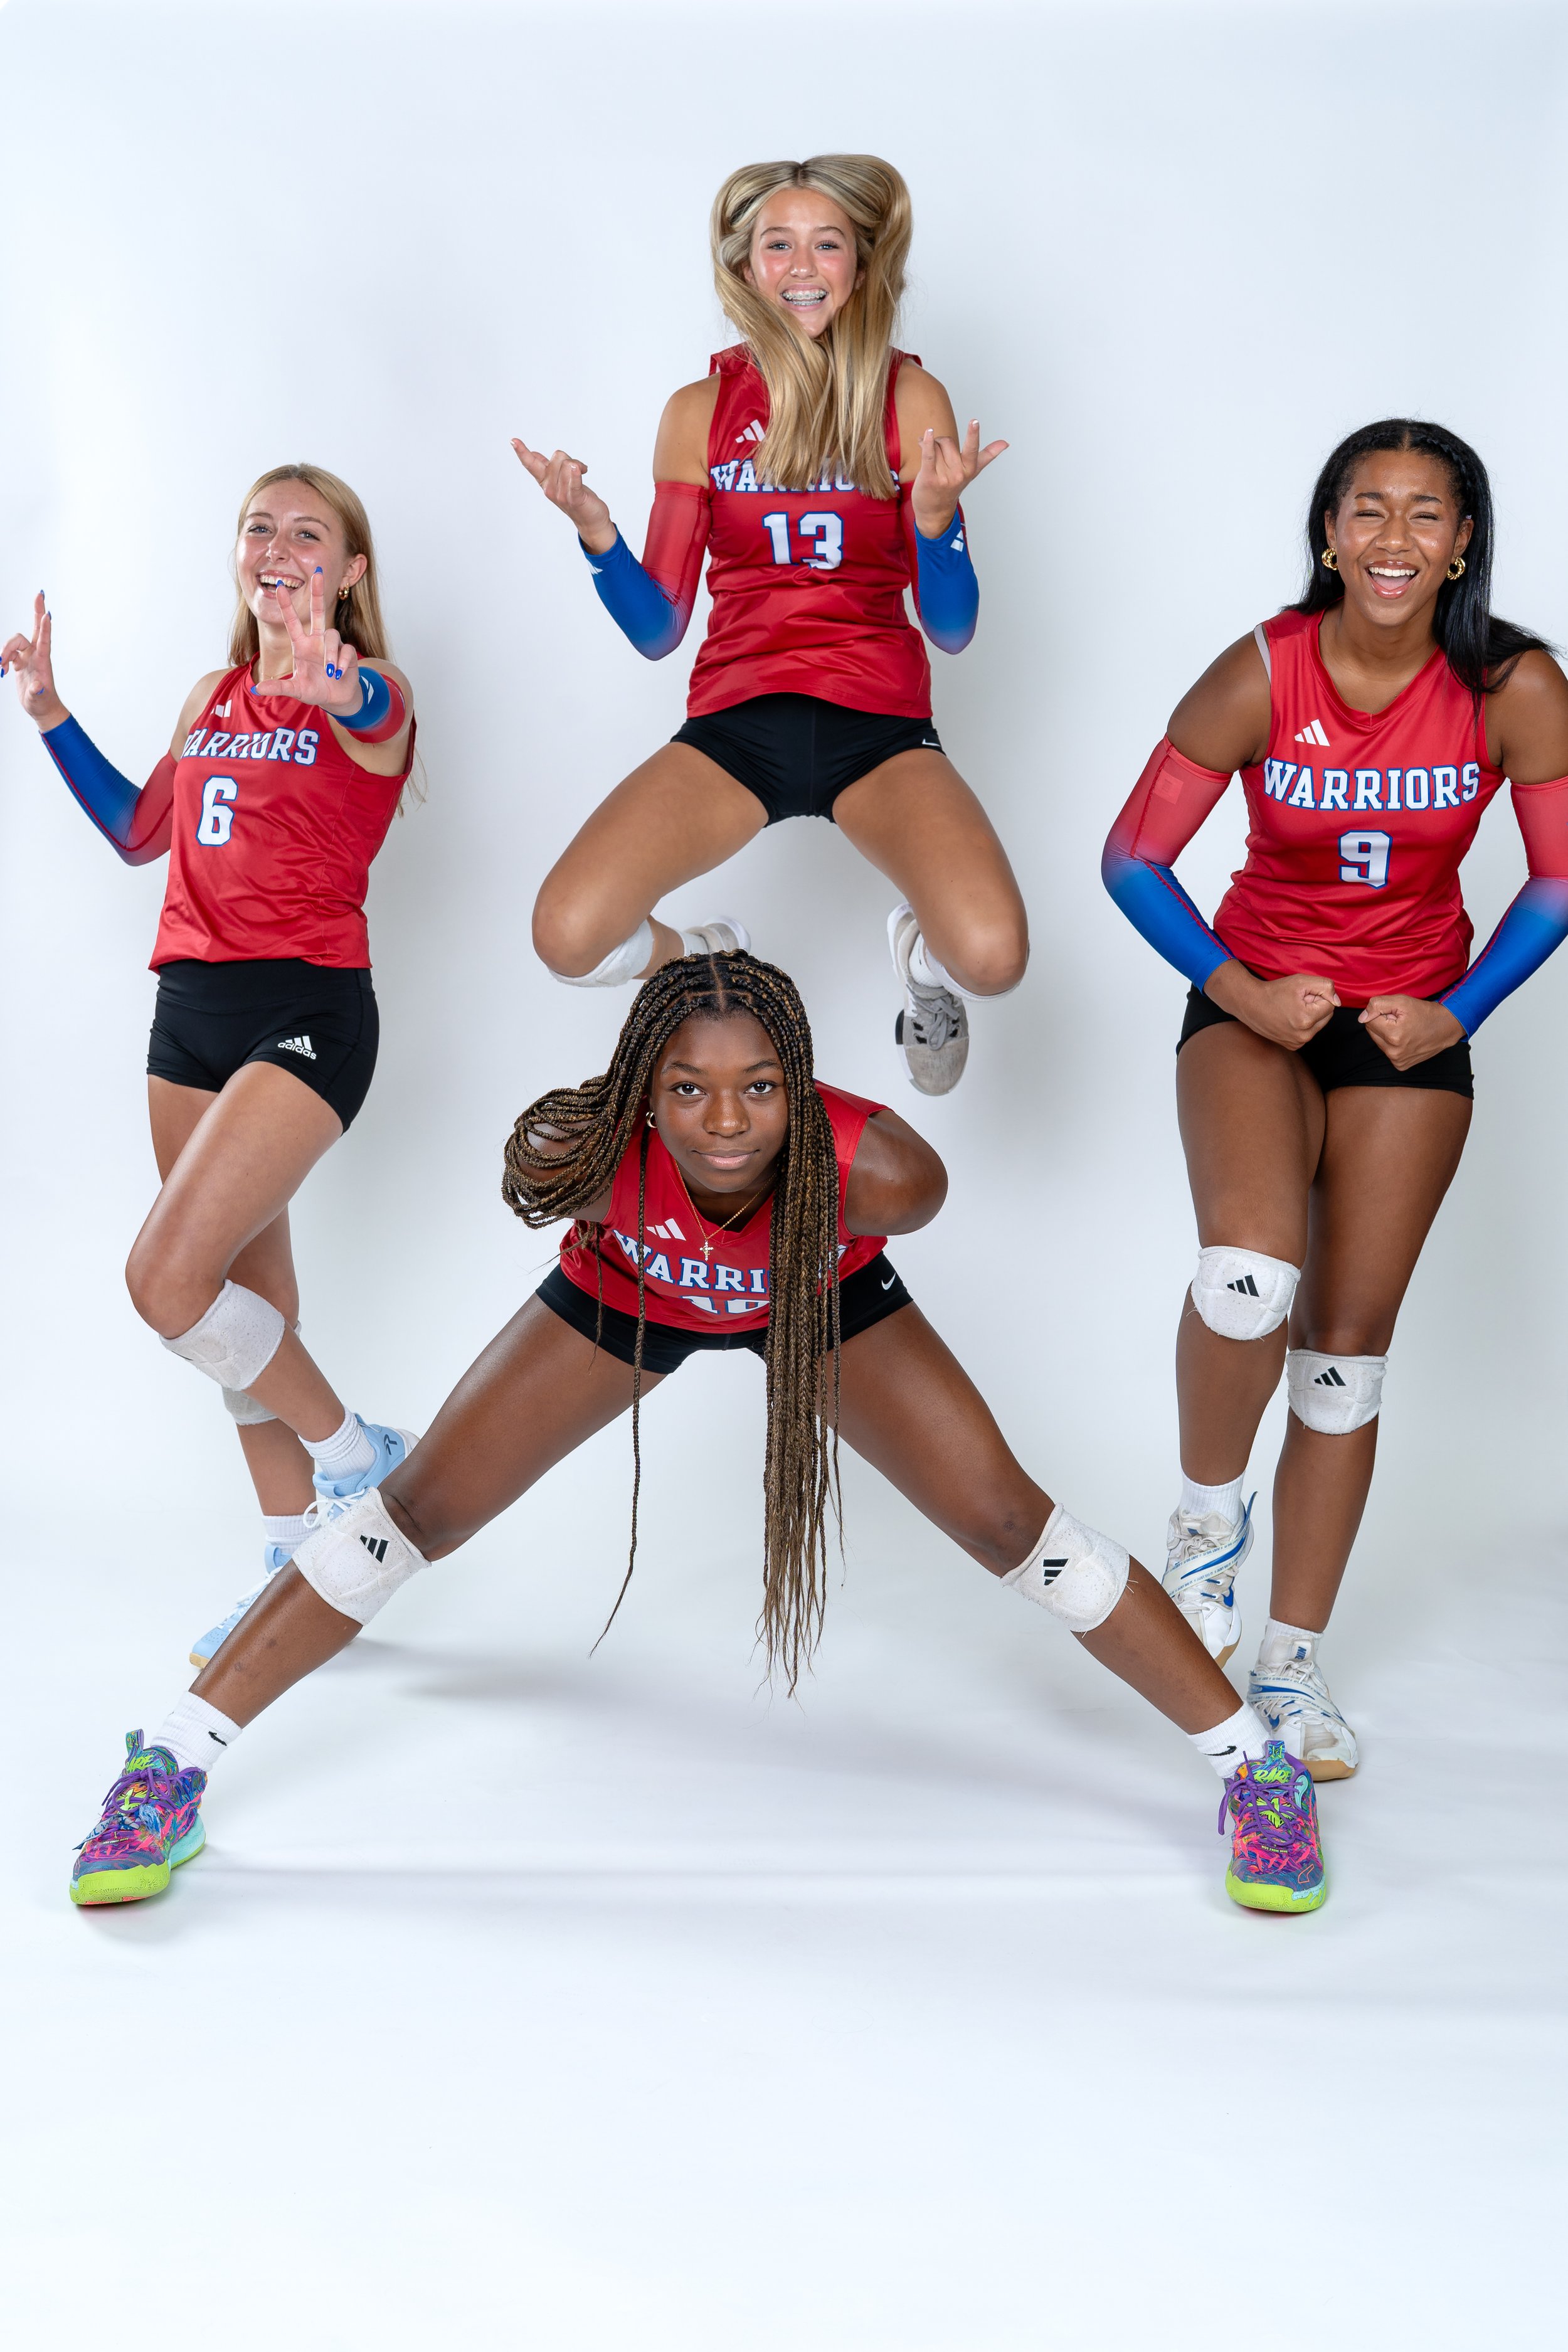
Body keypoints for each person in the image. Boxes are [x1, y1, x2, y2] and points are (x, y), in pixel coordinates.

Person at [71, 953, 1328, 1918]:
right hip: (631, 1292)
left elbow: (879, 1191)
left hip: (815, 1298)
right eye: (687, 1090)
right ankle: (172, 1764)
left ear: (801, 1085)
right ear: (640, 1094)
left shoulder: (881, 1175)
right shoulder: (586, 1152)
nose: (725, 1122)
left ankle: (1251, 1769)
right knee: (415, 1516)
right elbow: (528, 1181)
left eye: (757, 1089)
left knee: (1010, 1521)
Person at [1103, 418, 1568, 1777]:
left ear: (1463, 542)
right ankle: (1203, 1533)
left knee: (1344, 1354)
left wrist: (1457, 1011)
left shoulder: (1515, 686)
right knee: (1246, 1275)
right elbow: (1134, 858)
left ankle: (1290, 1664)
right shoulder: (1260, 668)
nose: (1392, 540)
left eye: (1425, 515)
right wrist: (1233, 984)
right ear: (1325, 532)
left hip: (1408, 1032)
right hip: (1257, 1014)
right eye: (1367, 511)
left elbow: (1551, 885)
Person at [3, 464, 423, 1666]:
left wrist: (333, 672)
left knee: (166, 1281)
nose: (276, 544)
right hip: (184, 1016)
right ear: (238, 554)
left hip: (308, 1011)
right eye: (259, 527)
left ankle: (359, 1458)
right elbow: (144, 834)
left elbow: (373, 716)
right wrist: (46, 710)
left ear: (347, 572)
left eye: (308, 533)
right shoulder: (211, 694)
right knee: (246, 1306)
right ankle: (300, 1563)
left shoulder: (372, 689)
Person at [512, 154, 1027, 1096]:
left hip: (879, 730)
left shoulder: (910, 400)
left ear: (861, 267)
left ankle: (921, 963)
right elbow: (660, 628)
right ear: (745, 268)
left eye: (826, 243)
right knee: (568, 934)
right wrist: (597, 533)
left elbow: (951, 628)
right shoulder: (698, 412)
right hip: (737, 726)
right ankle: (703, 951)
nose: (801, 264)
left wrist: (939, 524)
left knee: (992, 956)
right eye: (776, 244)